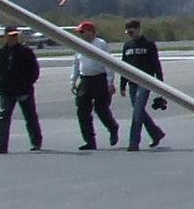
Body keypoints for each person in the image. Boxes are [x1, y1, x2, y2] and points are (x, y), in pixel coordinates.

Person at [0, 25, 43, 153]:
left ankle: (36, 142)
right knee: (3, 117)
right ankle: (1, 145)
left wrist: (27, 83)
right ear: (6, 37)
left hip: (24, 90)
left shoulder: (26, 51)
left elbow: (34, 70)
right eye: (11, 35)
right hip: (6, 91)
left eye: (15, 35)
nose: (13, 38)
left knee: (30, 116)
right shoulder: (1, 52)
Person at [117, 18, 165, 150]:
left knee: (137, 112)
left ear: (138, 29)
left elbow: (156, 65)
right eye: (128, 32)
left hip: (146, 81)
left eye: (131, 31)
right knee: (138, 111)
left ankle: (133, 143)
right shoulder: (127, 46)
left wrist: (160, 84)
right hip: (132, 82)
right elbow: (123, 65)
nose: (129, 34)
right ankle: (156, 133)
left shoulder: (149, 44)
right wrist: (122, 84)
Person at [71, 20, 119, 151]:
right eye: (79, 32)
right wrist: (73, 80)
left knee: (101, 108)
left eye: (82, 32)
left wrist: (110, 82)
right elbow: (76, 63)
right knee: (82, 110)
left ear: (91, 32)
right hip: (85, 80)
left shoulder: (100, 44)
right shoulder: (79, 45)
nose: (80, 35)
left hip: (99, 79)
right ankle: (89, 140)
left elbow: (109, 63)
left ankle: (113, 127)